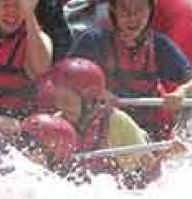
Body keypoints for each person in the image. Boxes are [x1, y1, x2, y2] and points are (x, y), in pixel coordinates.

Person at [68, 0, 192, 141]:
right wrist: (98, 92)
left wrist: (181, 92)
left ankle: (175, 138)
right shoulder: (94, 41)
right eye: (125, 10)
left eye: (139, 10)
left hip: (149, 130)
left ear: (150, 11)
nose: (132, 17)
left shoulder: (160, 45)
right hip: (105, 127)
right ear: (113, 11)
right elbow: (65, 78)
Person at [43, 57, 158, 185]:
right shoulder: (56, 124)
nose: (62, 104)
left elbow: (150, 170)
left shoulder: (116, 121)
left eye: (67, 99)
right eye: (58, 93)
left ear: (89, 99)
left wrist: (164, 156)